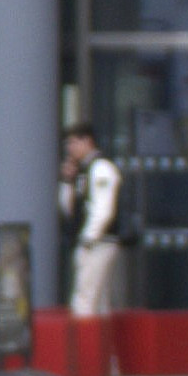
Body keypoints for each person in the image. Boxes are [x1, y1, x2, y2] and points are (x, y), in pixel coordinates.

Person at [60, 122, 125, 319]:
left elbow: (103, 208)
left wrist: (89, 238)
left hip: (99, 242)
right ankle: (102, 347)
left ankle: (84, 346)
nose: (70, 149)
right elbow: (68, 208)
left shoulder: (101, 167)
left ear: (87, 141)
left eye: (73, 143)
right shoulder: (82, 172)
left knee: (85, 299)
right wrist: (67, 181)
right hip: (90, 240)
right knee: (99, 301)